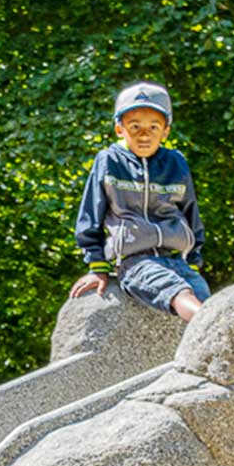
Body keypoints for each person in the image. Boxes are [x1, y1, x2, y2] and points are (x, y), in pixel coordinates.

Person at [71, 81, 208, 323]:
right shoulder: (109, 161)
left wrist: (194, 259)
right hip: (136, 261)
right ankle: (211, 326)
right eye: (134, 126)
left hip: (178, 259)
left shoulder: (175, 163)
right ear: (119, 129)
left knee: (205, 299)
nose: (144, 134)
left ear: (165, 131)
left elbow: (190, 212)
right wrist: (97, 267)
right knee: (179, 294)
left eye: (153, 127)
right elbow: (90, 215)